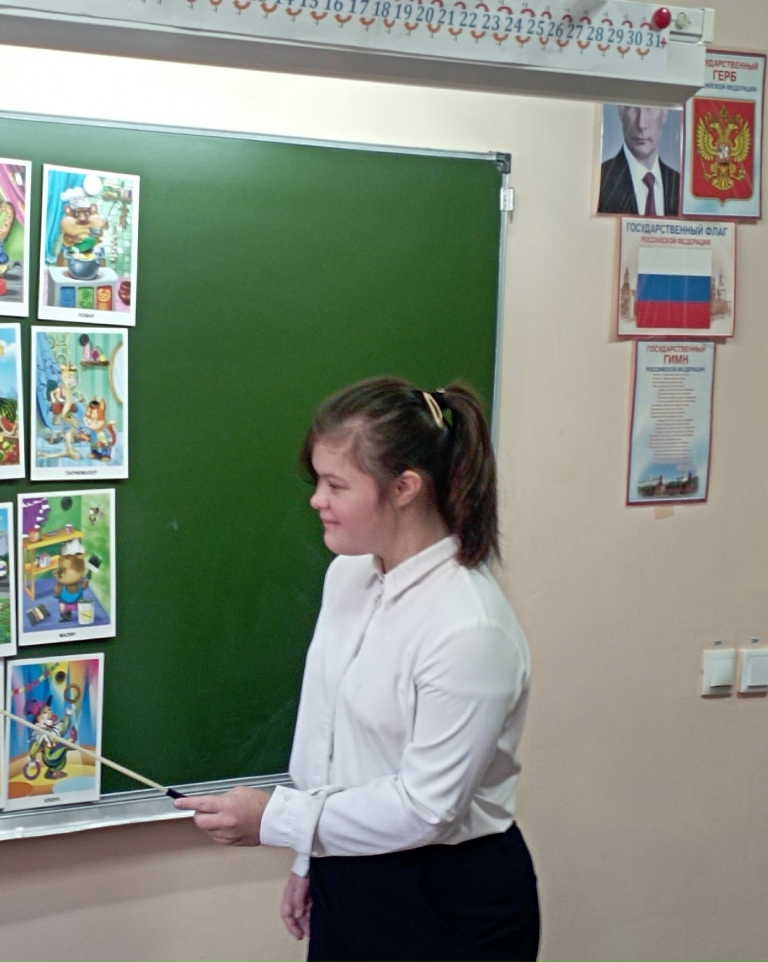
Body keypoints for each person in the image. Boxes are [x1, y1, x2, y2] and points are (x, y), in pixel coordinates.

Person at [175, 376, 538, 962]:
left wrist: (279, 820)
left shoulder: (470, 628)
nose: (317, 500)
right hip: (349, 870)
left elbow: (426, 808)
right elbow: (329, 740)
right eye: (318, 481)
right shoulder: (348, 576)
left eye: (336, 485)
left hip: (444, 899)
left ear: (405, 487)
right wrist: (310, 860)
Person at [598, 104, 681, 216]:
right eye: (632, 107)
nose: (641, 124)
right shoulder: (600, 182)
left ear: (665, 113)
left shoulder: (679, 186)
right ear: (620, 111)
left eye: (650, 108)